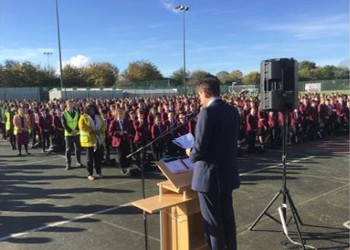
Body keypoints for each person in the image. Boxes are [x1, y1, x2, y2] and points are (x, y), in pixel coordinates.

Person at [187, 78, 240, 250]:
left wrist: (190, 153)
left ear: (205, 92)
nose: (199, 100)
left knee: (213, 224)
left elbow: (200, 148)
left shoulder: (207, 113)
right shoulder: (232, 111)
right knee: (227, 217)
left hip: (209, 177)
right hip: (227, 173)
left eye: (199, 95)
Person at [79, 104, 106, 181]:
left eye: (93, 110)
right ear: (87, 110)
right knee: (89, 159)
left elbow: (104, 125)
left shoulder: (99, 116)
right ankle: (90, 174)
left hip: (98, 140)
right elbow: (82, 127)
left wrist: (101, 130)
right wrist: (92, 131)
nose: (92, 111)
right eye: (90, 110)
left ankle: (99, 172)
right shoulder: (83, 117)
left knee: (98, 158)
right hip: (89, 141)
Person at [62, 100, 82, 170]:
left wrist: (76, 130)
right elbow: (64, 124)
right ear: (67, 105)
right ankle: (68, 164)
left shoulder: (77, 112)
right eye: (69, 104)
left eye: (71, 104)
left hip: (76, 133)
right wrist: (71, 131)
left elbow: (79, 122)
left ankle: (78, 162)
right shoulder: (64, 113)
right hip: (68, 134)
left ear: (73, 105)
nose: (70, 105)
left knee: (78, 148)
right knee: (68, 149)